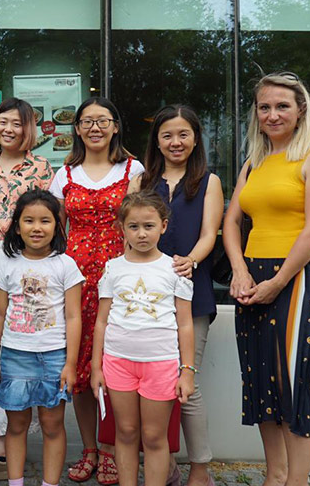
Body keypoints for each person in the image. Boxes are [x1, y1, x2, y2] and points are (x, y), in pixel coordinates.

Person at [223, 72, 310, 486]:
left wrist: (278, 281)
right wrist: (239, 270)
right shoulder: (253, 163)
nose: (273, 114)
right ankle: (275, 475)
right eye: (264, 107)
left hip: (299, 276)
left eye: (282, 106)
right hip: (253, 277)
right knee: (259, 380)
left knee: (291, 381)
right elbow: (231, 222)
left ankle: (296, 481)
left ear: (301, 110)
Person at [49, 97, 144, 485]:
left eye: (103, 121)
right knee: (81, 367)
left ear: (115, 126)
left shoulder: (133, 169)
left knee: (115, 366)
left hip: (121, 277)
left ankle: (112, 449)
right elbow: (56, 231)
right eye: (87, 121)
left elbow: (140, 220)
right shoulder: (64, 174)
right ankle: (89, 448)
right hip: (76, 281)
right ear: (77, 129)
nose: (95, 128)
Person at [128, 105, 224, 486]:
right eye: (167, 135)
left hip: (191, 293)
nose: (175, 142)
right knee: (149, 386)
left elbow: (210, 234)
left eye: (183, 134)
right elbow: (128, 231)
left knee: (186, 385)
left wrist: (191, 261)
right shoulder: (141, 180)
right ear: (157, 141)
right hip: (145, 297)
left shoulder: (209, 182)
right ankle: (164, 466)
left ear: (195, 139)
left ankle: (200, 469)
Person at [0, 98, 54, 482]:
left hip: (31, 259)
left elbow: (51, 218)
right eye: (3, 122)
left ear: (28, 129)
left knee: (28, 341)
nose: (9, 129)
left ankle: (23, 430)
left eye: (17, 123)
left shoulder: (41, 168)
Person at [90, 191, 196, 486]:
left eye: (149, 226)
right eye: (133, 226)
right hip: (118, 363)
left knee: (153, 436)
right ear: (121, 228)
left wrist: (187, 371)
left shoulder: (175, 269)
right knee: (125, 432)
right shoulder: (113, 268)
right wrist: (96, 367)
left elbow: (185, 324)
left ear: (163, 226)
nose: (141, 234)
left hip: (160, 364)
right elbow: (101, 321)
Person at [0, 190, 83, 486]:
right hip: (15, 356)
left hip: (54, 357)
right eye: (29, 220)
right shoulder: (7, 264)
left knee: (53, 425)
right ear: (17, 226)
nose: (37, 228)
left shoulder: (65, 265)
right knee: (17, 425)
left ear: (57, 225)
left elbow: (73, 316)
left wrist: (71, 364)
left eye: (45, 221)